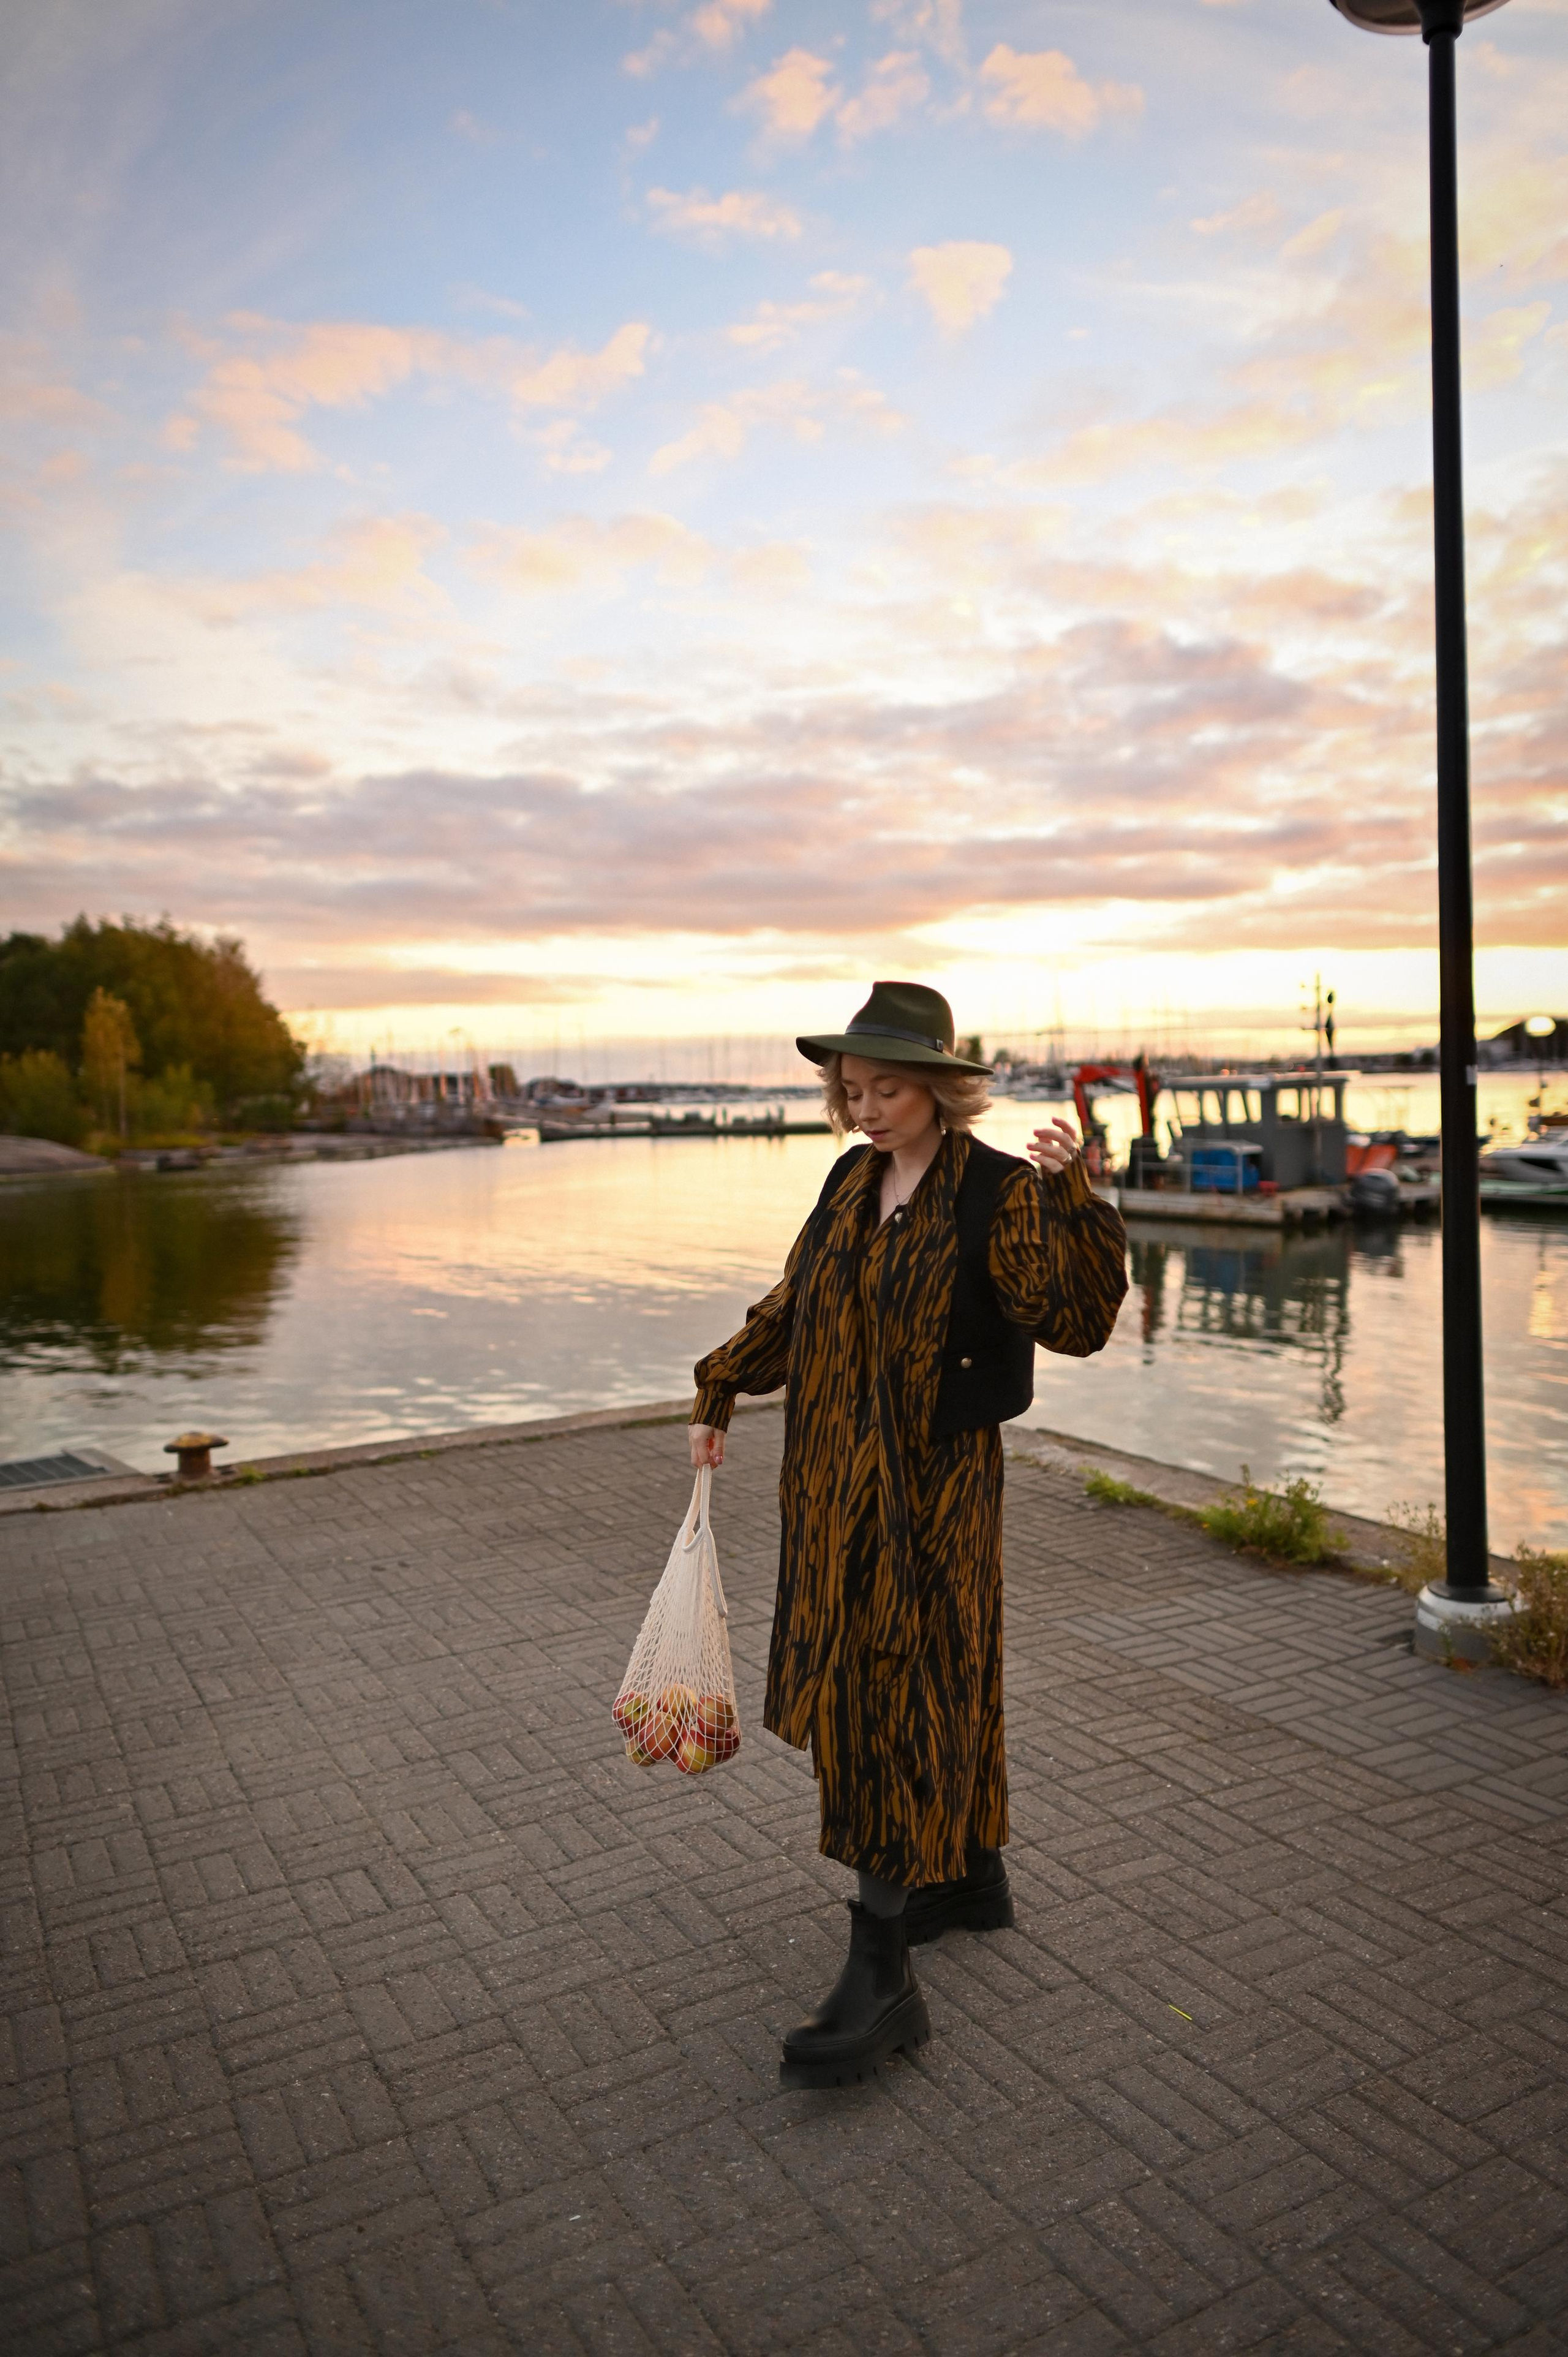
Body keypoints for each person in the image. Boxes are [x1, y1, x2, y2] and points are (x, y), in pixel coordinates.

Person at [688, 980, 1128, 2089]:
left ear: (942, 1088)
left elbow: (1076, 1324)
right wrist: (721, 1386)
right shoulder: (848, 1183)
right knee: (923, 1681)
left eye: (890, 1087)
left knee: (893, 1698)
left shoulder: (998, 1195)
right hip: (831, 1494)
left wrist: (1080, 1194)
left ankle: (881, 1972)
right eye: (855, 1087)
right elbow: (797, 1309)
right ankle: (968, 1878)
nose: (869, 1106)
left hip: (931, 1501)